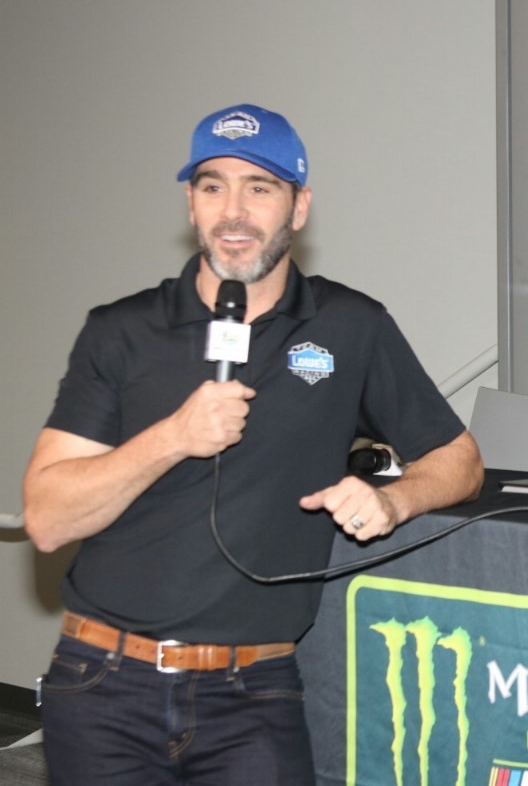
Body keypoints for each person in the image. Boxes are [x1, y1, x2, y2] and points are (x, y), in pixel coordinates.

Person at [21, 104, 485, 784]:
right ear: (190, 202)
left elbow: (462, 461)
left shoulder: (351, 326)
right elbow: (46, 516)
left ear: (299, 207)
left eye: (259, 188)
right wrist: (173, 436)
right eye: (213, 186)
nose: (233, 211)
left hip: (254, 695)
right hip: (104, 688)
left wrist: (396, 501)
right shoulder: (120, 330)